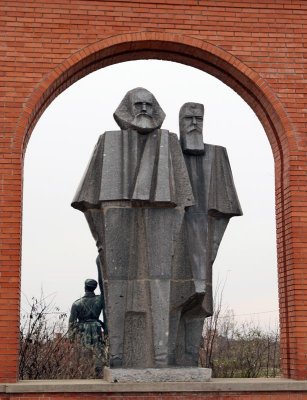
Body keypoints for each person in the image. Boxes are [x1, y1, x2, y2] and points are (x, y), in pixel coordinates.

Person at [71, 88, 194, 368]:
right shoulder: (108, 141)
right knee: (117, 285)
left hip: (162, 213)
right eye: (138, 104)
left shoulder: (168, 141)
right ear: (127, 107)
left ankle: (161, 356)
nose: (144, 109)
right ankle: (118, 355)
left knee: (161, 286)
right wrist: (100, 235)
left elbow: (183, 200)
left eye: (149, 105)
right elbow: (88, 201)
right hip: (114, 212)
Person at [171, 102, 243, 366]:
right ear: (179, 122)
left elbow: (225, 211)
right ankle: (166, 358)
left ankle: (189, 359)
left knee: (199, 300)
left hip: (202, 241)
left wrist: (210, 249)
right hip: (172, 240)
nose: (193, 123)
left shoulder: (216, 155)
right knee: (171, 299)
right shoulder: (168, 154)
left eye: (198, 118)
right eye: (188, 118)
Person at [69, 256, 106, 376]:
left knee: (83, 355)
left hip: (82, 330)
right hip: (96, 328)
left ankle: (84, 373)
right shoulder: (101, 299)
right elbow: (103, 284)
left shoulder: (76, 304)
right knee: (98, 354)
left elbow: (71, 324)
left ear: (85, 287)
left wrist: (71, 339)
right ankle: (98, 373)